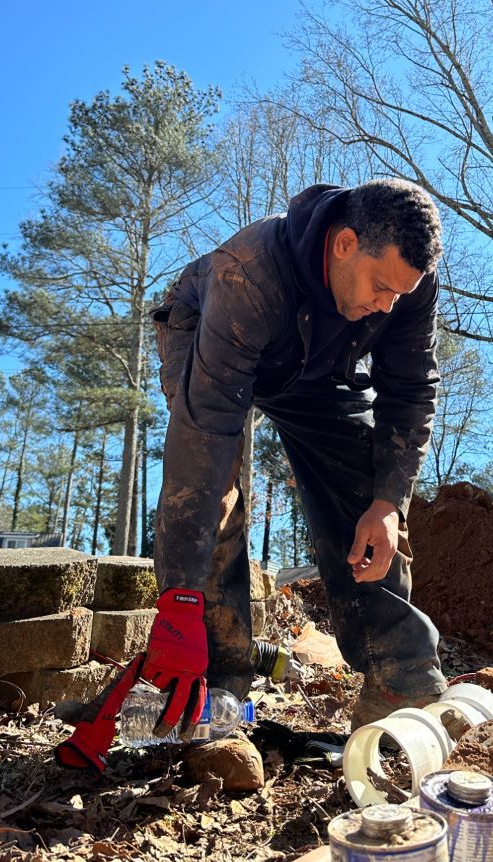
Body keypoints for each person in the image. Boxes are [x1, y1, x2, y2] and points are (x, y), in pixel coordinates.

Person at [55, 179, 447, 773]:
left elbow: (411, 391)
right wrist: (180, 593)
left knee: (365, 493)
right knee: (217, 496)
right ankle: (216, 692)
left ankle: (401, 680)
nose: (388, 306)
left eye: (401, 294)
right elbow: (203, 441)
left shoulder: (404, 283)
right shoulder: (249, 274)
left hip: (316, 365)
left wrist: (389, 501)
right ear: (344, 244)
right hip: (213, 336)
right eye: (380, 288)